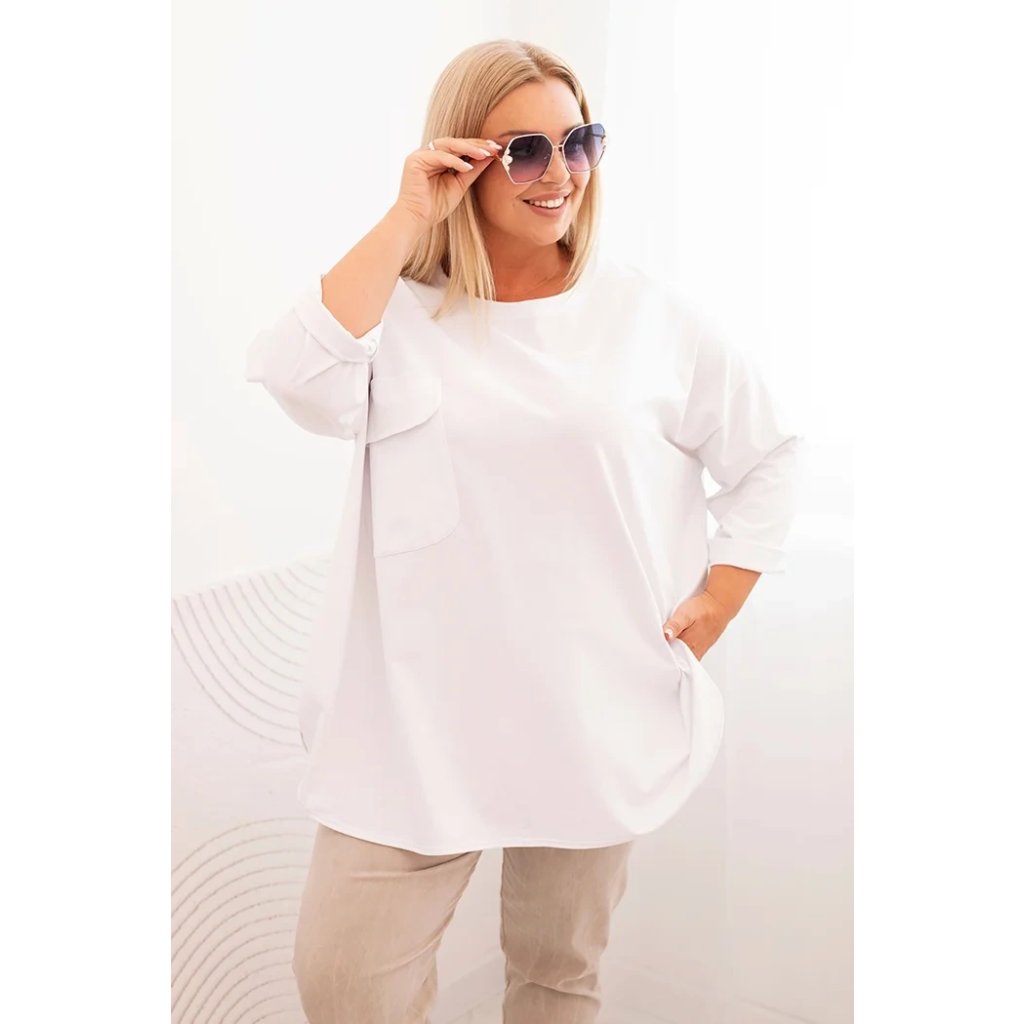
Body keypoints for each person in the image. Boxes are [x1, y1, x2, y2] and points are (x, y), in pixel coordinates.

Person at [244, 37, 803, 1024]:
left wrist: (720, 597)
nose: (562, 174)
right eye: (526, 151)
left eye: (578, 142)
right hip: (411, 719)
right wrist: (407, 217)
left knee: (555, 979)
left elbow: (769, 453)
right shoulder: (398, 315)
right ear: (460, 158)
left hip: (590, 703)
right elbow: (294, 375)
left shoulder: (646, 315)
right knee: (344, 985)